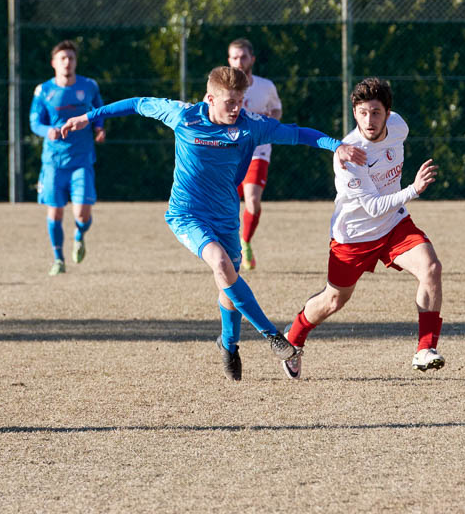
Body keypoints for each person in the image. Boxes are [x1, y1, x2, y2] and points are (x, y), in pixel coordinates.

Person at [60, 66, 365, 382]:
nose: (236, 109)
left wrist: (336, 145)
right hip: (186, 214)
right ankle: (273, 336)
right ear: (210, 99)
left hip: (225, 216)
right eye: (230, 102)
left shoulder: (250, 126)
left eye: (240, 101)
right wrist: (89, 117)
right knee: (221, 264)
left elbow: (298, 133)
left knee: (228, 284)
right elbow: (138, 103)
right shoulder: (183, 116)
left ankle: (229, 344)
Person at [281, 77, 444, 380]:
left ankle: (425, 349)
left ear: (388, 113)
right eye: (362, 113)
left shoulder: (399, 126)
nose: (369, 121)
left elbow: (384, 207)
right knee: (334, 300)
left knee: (431, 268)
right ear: (354, 112)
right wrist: (413, 189)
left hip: (393, 224)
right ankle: (294, 336)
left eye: (376, 112)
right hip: (353, 236)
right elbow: (372, 207)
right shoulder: (349, 155)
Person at [29, 39, 106, 276]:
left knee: (82, 214)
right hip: (54, 162)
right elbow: (34, 122)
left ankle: (79, 234)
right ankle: (58, 259)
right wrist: (47, 131)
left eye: (71, 58)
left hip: (81, 160)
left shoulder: (89, 86)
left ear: (76, 62)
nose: (67, 62)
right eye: (62, 58)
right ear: (54, 63)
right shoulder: (43, 91)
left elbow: (99, 109)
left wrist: (99, 127)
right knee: (55, 212)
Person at [226, 38, 282, 270]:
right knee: (226, 204)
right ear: (229, 60)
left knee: (253, 201)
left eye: (243, 57)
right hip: (229, 154)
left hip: (258, 151)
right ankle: (229, 247)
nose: (239, 61)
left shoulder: (265, 86)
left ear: (252, 59)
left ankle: (245, 242)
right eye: (235, 57)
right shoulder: (221, 88)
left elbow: (276, 109)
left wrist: (271, 120)